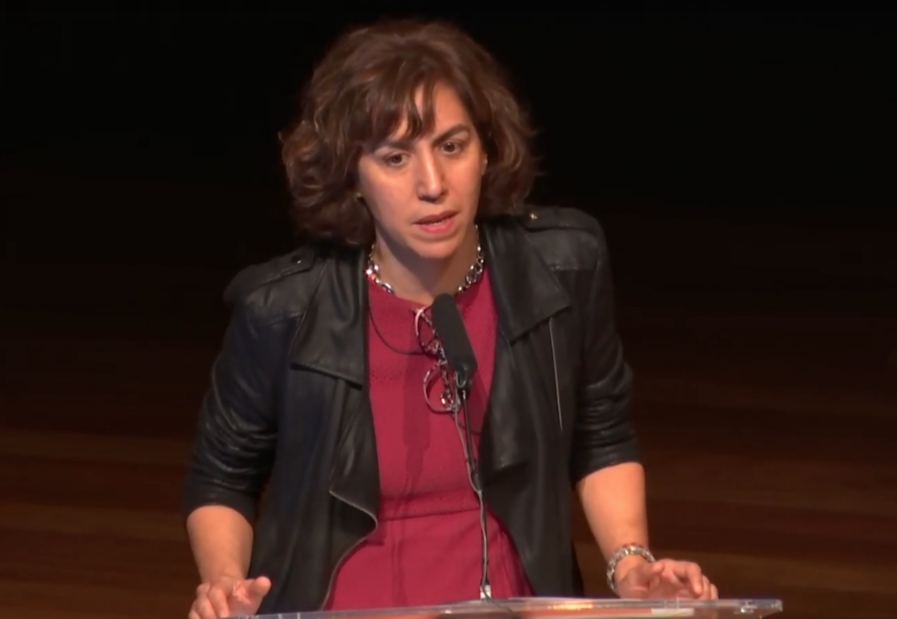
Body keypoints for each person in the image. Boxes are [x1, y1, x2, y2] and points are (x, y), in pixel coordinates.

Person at [181, 17, 719, 619]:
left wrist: (631, 566)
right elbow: (222, 475)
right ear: (352, 176)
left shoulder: (563, 266)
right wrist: (225, 582)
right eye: (395, 158)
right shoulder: (281, 308)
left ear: (486, 151)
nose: (432, 184)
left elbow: (602, 433)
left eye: (452, 147)